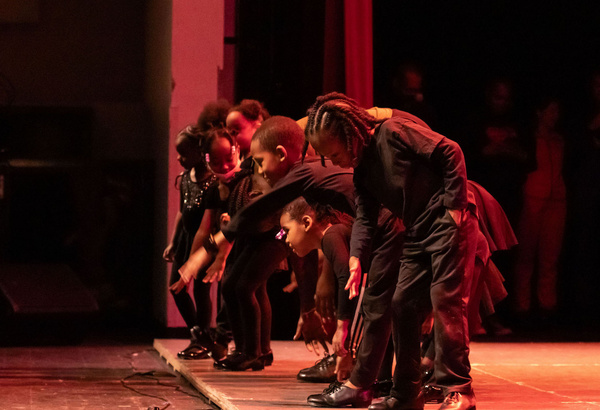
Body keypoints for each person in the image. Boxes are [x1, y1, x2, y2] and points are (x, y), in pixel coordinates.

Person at [304, 92, 478, 410]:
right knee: (402, 303)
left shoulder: (394, 132)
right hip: (417, 230)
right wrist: (356, 256)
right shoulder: (363, 170)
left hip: (447, 221)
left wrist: (454, 206)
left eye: (334, 152)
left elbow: (450, 151)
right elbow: (366, 218)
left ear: (348, 135)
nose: (334, 162)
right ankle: (407, 393)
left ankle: (459, 391)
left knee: (445, 300)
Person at [163, 125, 217, 359]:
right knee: (176, 287)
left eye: (183, 153)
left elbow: (207, 222)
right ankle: (198, 334)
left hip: (205, 243)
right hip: (186, 239)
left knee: (201, 290)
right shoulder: (185, 178)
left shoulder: (212, 181)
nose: (179, 158)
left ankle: (203, 337)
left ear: (199, 151)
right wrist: (174, 242)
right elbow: (181, 211)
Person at [513, 96, 567, 323]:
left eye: (557, 111)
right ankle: (522, 309)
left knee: (550, 258)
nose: (555, 116)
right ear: (539, 112)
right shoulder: (528, 138)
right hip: (533, 197)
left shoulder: (560, 140)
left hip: (557, 200)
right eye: (551, 110)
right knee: (526, 256)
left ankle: (547, 308)